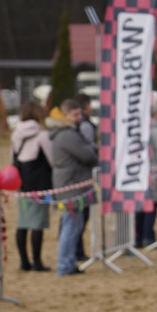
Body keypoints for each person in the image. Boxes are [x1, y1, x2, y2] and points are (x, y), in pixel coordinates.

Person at [48, 99, 97, 276]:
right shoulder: (67, 135)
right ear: (65, 115)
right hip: (72, 185)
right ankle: (64, 265)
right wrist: (92, 148)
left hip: (70, 184)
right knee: (70, 226)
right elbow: (88, 155)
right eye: (75, 115)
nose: (78, 118)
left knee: (73, 226)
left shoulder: (66, 133)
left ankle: (68, 263)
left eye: (79, 114)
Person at [11, 101, 54, 271]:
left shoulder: (15, 134)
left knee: (22, 223)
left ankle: (24, 262)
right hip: (40, 185)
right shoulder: (42, 135)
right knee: (38, 224)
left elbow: (12, 157)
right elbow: (52, 160)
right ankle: (37, 262)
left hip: (22, 183)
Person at [137, 90, 157, 247]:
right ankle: (148, 237)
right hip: (154, 175)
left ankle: (138, 237)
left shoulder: (137, 131)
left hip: (138, 174)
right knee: (151, 206)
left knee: (139, 207)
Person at [73, 93, 98, 261]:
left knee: (78, 216)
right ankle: (77, 250)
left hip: (78, 177)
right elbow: (88, 150)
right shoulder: (86, 126)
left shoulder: (78, 126)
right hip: (82, 177)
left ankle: (77, 249)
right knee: (79, 216)